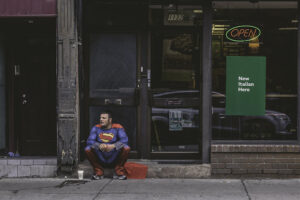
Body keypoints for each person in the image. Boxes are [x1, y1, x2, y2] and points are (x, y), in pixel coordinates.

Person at [85, 111, 130, 180]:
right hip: (101, 156)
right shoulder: (96, 128)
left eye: (104, 118)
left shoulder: (117, 127)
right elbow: (89, 141)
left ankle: (119, 171)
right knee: (87, 149)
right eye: (100, 118)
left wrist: (113, 146)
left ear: (110, 120)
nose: (101, 120)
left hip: (113, 156)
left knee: (126, 148)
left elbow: (124, 140)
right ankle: (98, 171)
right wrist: (99, 145)